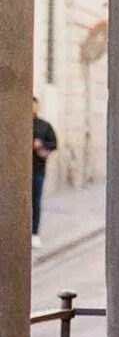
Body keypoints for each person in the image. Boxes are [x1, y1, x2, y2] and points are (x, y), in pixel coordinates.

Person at [30, 99, 56, 249]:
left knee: (35, 201)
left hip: (37, 170)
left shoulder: (44, 126)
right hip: (21, 174)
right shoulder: (19, 124)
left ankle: (34, 233)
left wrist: (41, 148)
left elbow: (53, 144)